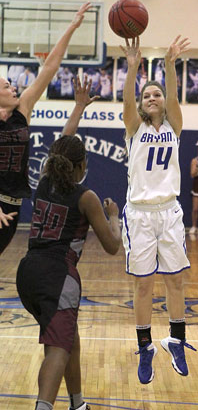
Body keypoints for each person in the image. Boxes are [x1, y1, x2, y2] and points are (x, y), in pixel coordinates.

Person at [16, 75, 121, 410]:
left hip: (27, 273)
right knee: (58, 348)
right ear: (82, 165)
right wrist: (114, 216)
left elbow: (64, 140)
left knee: (68, 338)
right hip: (58, 277)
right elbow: (112, 246)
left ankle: (78, 404)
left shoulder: (45, 180)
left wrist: (77, 106)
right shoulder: (86, 197)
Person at [120, 35, 196, 385]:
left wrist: (168, 64)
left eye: (156, 94)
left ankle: (176, 340)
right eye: (146, 95)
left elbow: (175, 95)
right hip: (139, 215)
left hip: (170, 212)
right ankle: (146, 346)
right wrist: (134, 67)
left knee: (176, 279)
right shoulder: (134, 128)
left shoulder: (173, 126)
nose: (151, 98)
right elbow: (128, 101)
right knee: (144, 286)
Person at [0, 2, 91, 255]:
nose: (14, 88)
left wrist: (72, 27)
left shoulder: (22, 110)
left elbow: (50, 67)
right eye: (7, 86)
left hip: (13, 204)